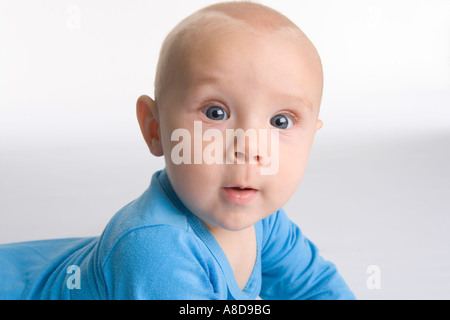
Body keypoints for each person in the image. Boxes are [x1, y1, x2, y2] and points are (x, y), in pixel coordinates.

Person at [0, 1, 355, 299]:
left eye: (281, 122)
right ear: (156, 129)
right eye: (215, 113)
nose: (249, 148)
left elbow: (318, 289)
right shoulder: (155, 251)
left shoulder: (264, 219)